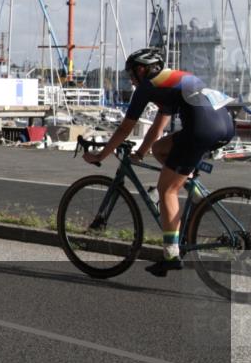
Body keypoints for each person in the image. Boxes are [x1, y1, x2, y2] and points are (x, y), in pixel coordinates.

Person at [83, 47, 235, 276]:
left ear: (143, 69)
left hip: (201, 129)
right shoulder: (173, 81)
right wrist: (142, 152)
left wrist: (100, 156)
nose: (132, 79)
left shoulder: (148, 87)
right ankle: (194, 190)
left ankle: (171, 254)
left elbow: (125, 127)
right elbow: (157, 129)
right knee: (160, 149)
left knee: (166, 190)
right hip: (225, 125)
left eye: (132, 73)